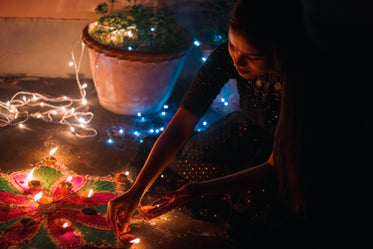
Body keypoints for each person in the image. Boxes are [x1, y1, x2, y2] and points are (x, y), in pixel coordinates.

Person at [107, 0, 334, 241]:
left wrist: (198, 190)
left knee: (259, 211)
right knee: (187, 158)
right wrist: (136, 190)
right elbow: (184, 121)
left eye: (253, 56)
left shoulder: (305, 82)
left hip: (291, 162)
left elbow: (273, 166)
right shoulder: (226, 57)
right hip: (247, 131)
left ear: (281, 51)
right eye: (234, 47)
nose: (238, 61)